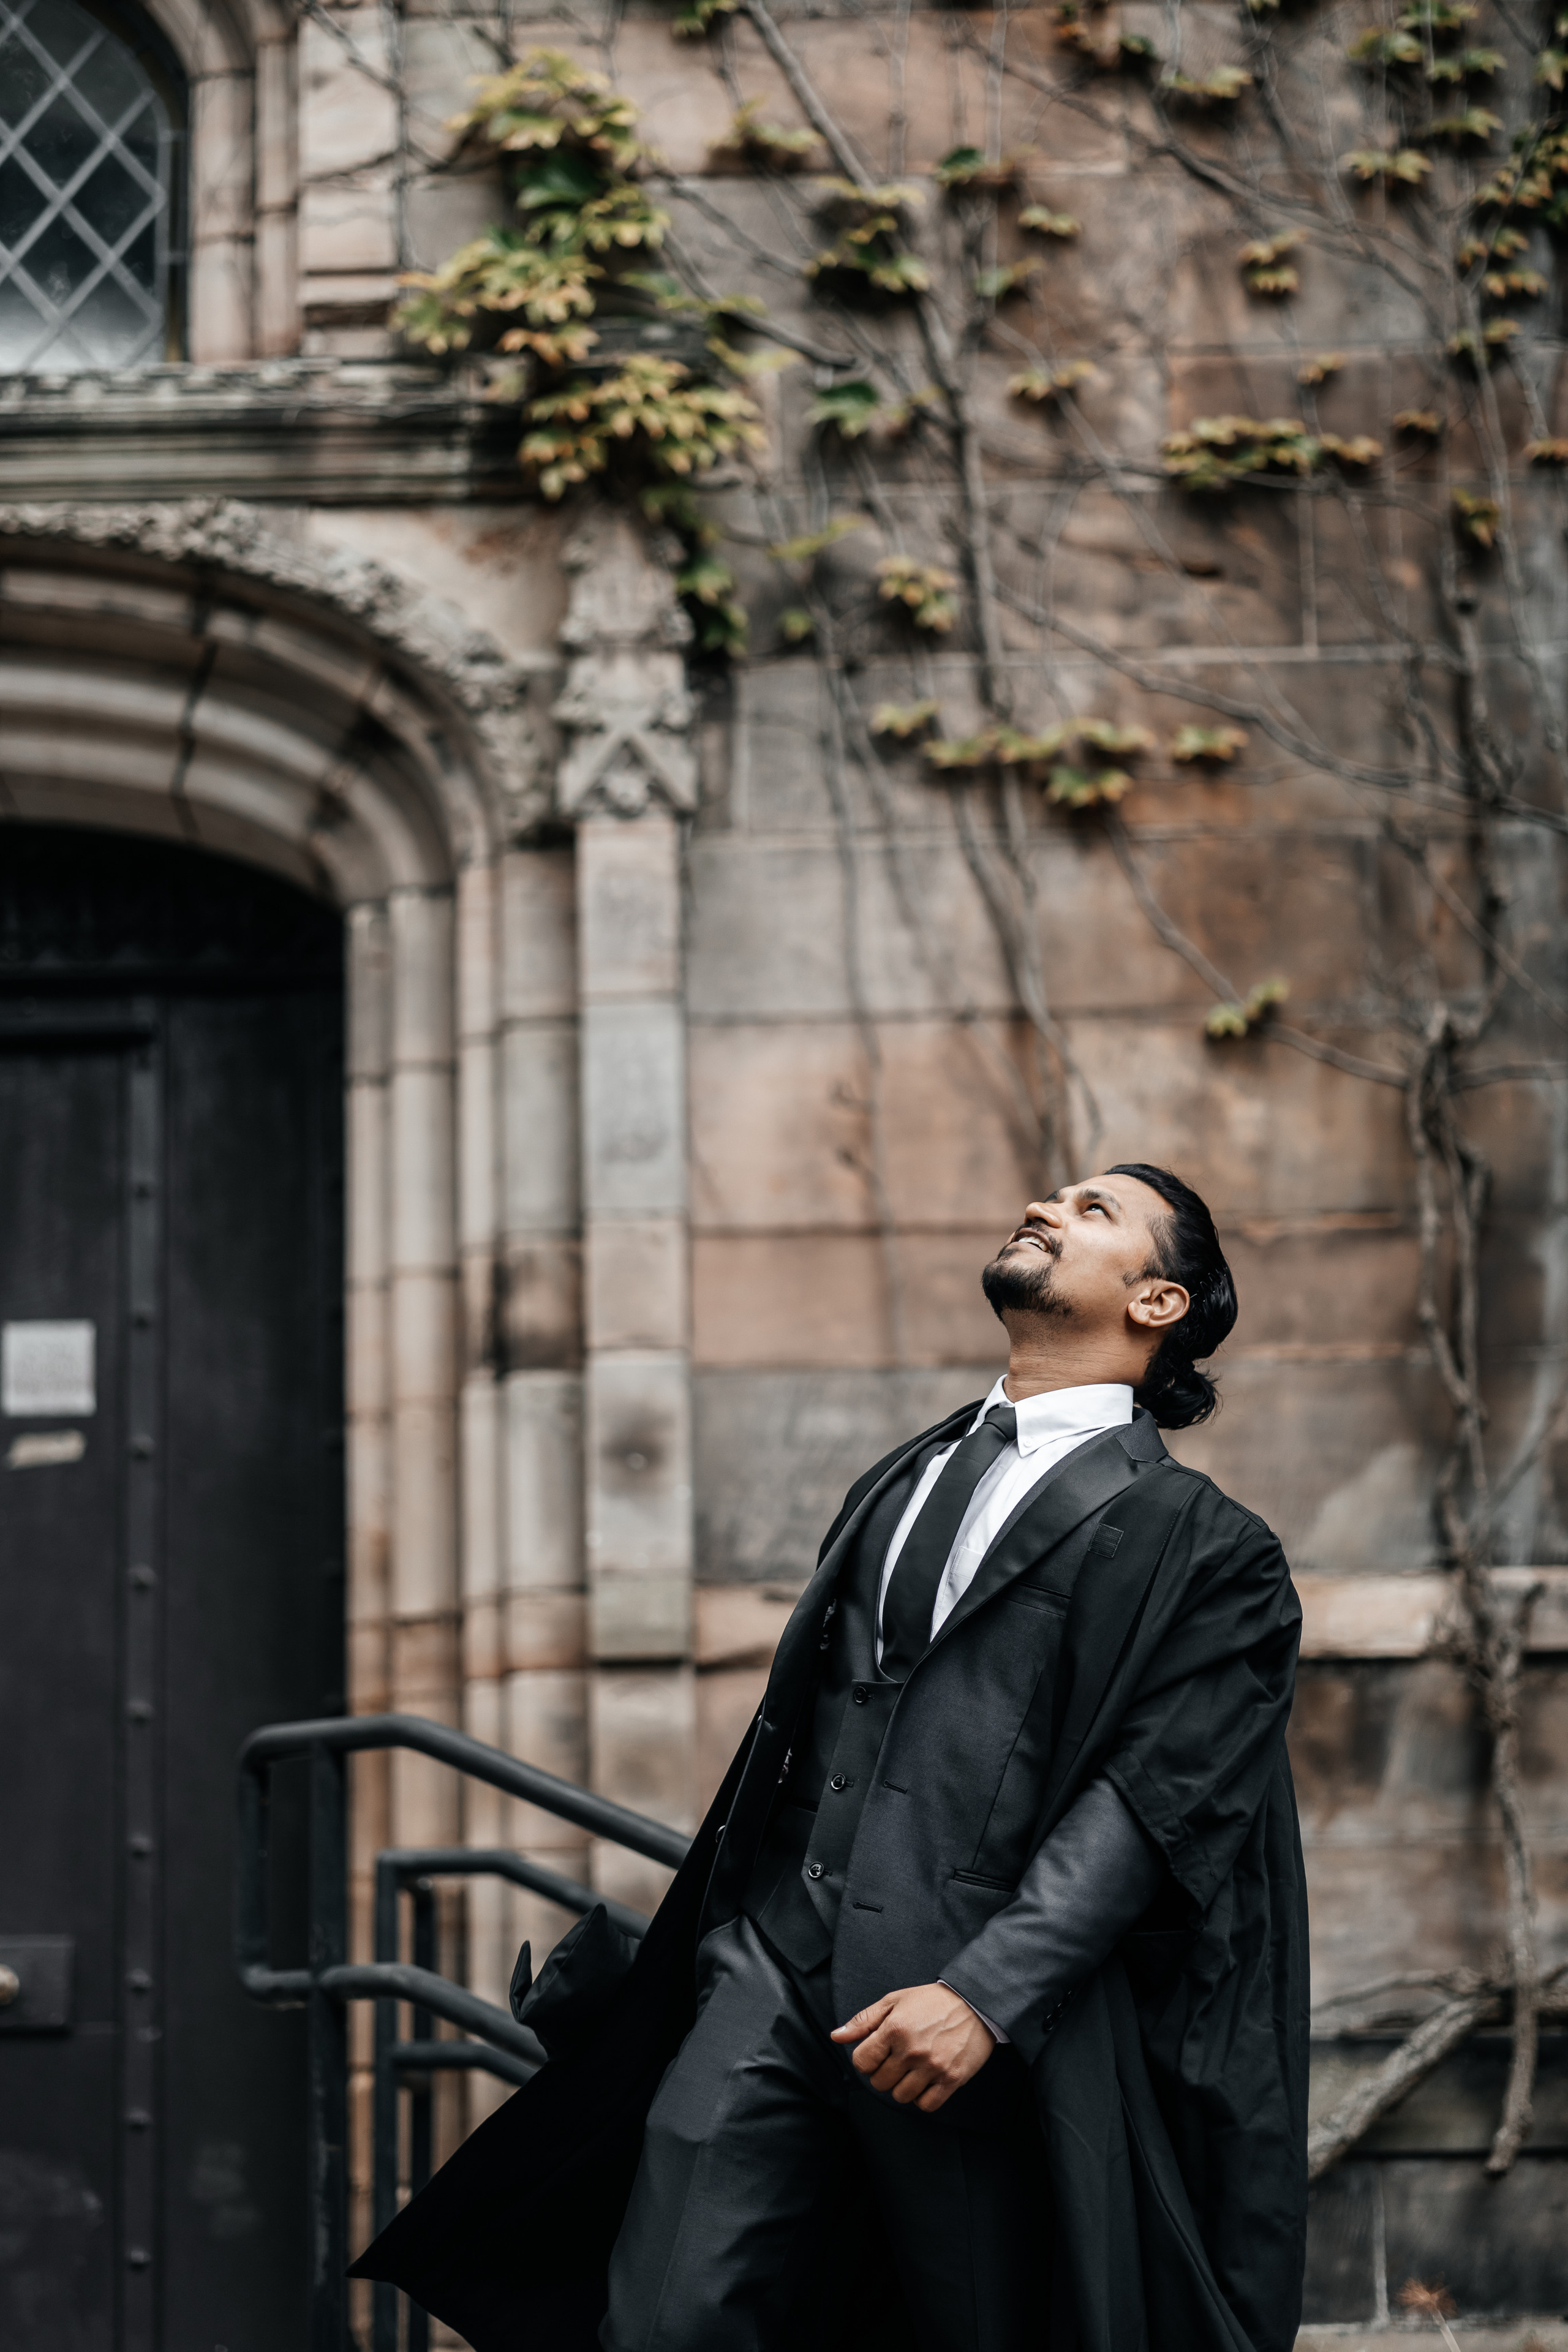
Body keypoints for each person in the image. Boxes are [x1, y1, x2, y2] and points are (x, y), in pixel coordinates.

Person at [354, 1164, 1309, 2352]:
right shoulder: (902, 1476)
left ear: (1156, 1302)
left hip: (974, 2016)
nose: (1046, 1207)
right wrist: (730, 1939)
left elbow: (1148, 1804)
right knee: (665, 2317)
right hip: (770, 1962)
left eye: (1092, 1211)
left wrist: (986, 1994)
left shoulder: (1208, 1548)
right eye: (1054, 1196)